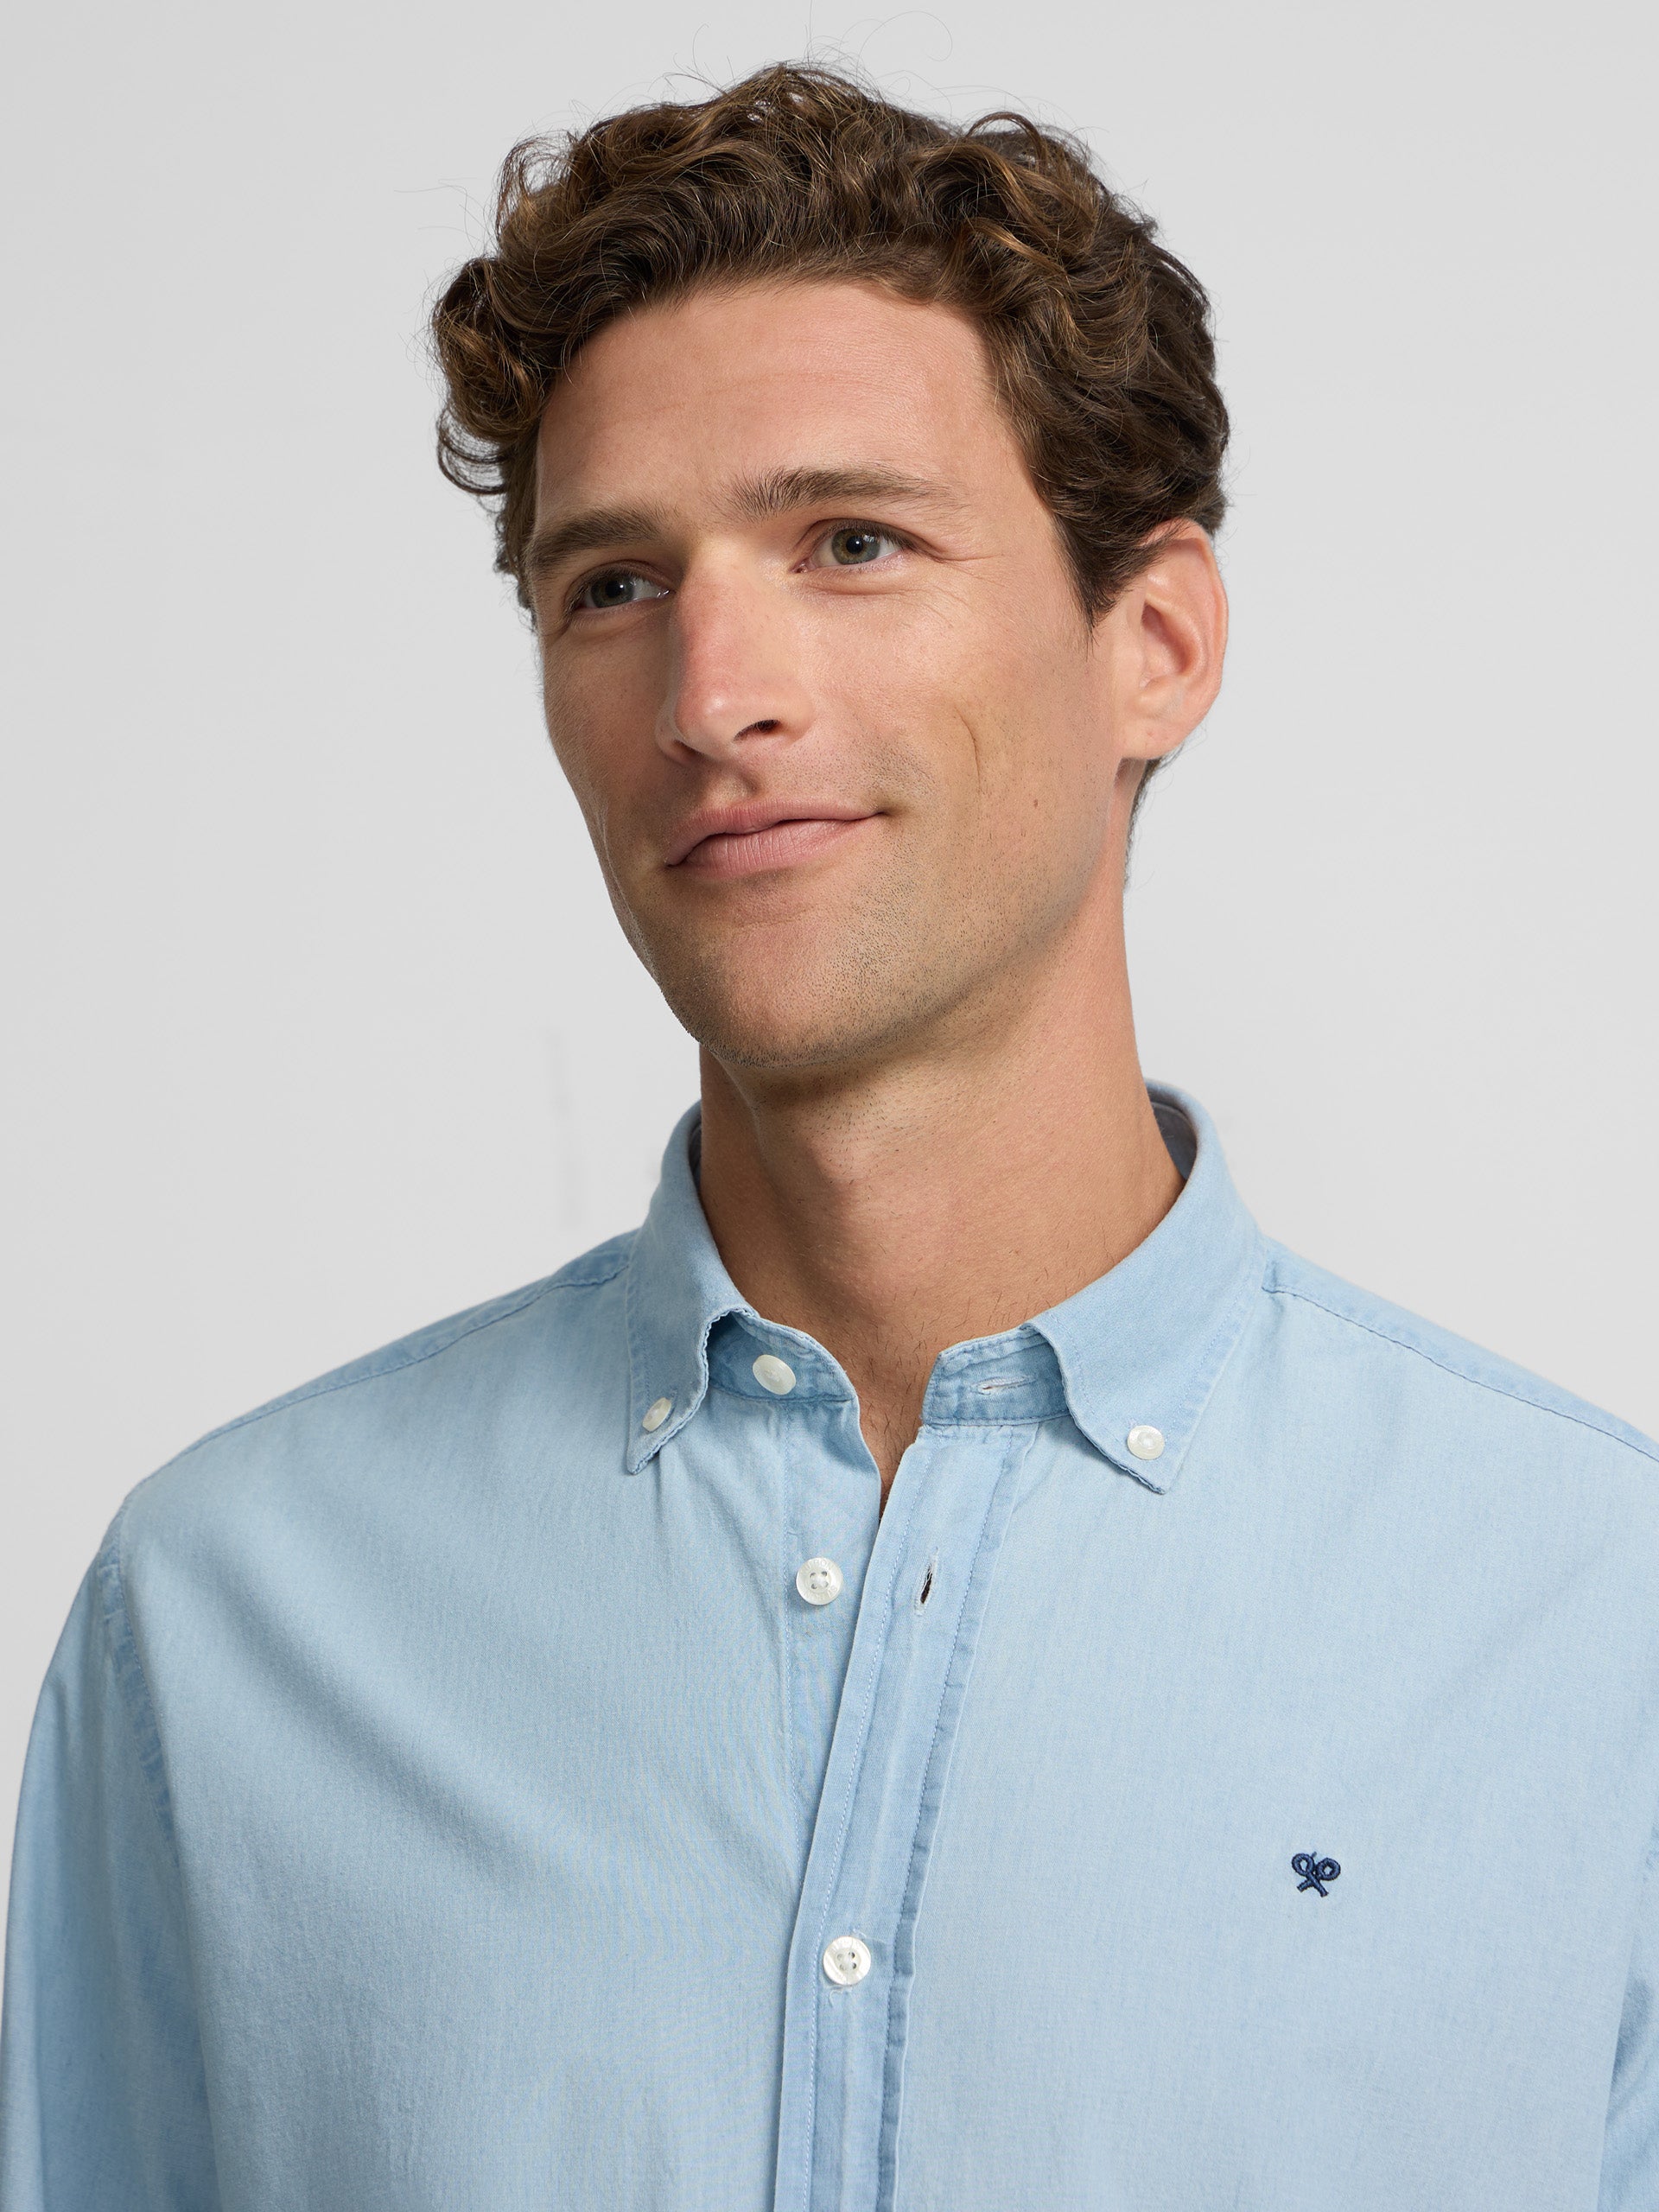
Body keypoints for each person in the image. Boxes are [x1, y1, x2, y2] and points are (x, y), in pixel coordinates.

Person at [2, 61, 1656, 2212]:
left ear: (1155, 643)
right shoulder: (226, 1619)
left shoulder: (1593, 1625)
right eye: (615, 584)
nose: (712, 695)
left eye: (852, 543)